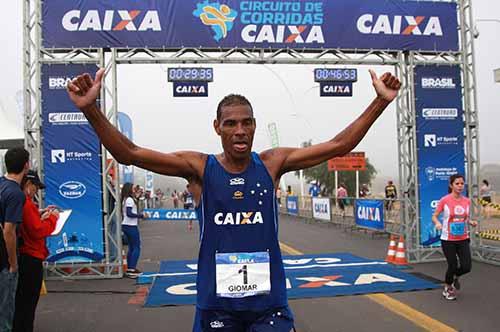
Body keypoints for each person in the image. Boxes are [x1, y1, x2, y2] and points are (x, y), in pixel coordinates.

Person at [67, 68, 400, 331]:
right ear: (217, 127)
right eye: (231, 124)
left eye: (246, 123)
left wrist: (380, 102)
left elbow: (339, 145)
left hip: (269, 305)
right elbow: (129, 154)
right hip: (217, 305)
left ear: (254, 126)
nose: (239, 130)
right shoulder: (199, 168)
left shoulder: (272, 163)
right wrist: (91, 110)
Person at [13, 171, 59, 332]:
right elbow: (37, 230)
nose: (36, 192)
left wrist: (40, 213)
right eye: (35, 187)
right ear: (28, 185)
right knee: (27, 303)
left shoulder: (20, 201)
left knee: (22, 302)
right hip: (30, 256)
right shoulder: (24, 202)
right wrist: (52, 218)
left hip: (24, 255)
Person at [432, 174, 477, 301]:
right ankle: (448, 287)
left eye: (462, 183)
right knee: (452, 265)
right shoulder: (445, 200)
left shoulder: (467, 201)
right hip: (448, 239)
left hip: (463, 238)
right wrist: (437, 223)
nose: (460, 186)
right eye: (457, 183)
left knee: (466, 266)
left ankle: (454, 276)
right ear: (451, 185)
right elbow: (434, 215)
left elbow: (465, 217)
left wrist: (471, 222)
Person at [0, 147, 29, 332]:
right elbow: (9, 231)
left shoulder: (1, 184)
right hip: (3, 260)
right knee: (5, 312)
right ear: (26, 165)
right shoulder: (16, 194)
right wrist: (13, 263)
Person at [121, 183, 145, 278]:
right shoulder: (129, 200)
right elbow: (129, 213)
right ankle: (131, 268)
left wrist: (137, 198)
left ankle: (130, 268)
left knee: (131, 247)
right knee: (136, 247)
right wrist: (141, 215)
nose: (134, 189)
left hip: (126, 225)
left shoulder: (126, 199)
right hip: (130, 225)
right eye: (133, 188)